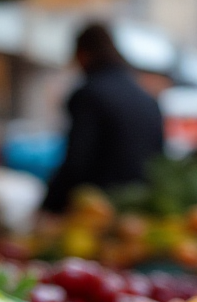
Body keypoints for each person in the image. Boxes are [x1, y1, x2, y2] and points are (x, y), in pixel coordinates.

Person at [40, 23, 164, 215]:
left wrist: (49, 205)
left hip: (95, 211)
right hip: (136, 211)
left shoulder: (90, 94)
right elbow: (158, 159)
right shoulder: (146, 98)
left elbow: (77, 160)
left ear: (83, 54)